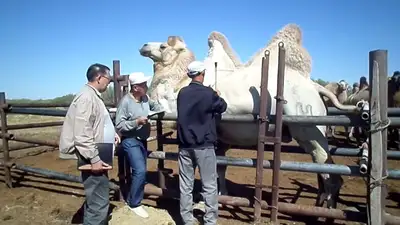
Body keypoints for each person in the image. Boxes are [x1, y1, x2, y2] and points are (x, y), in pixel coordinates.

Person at [59, 63, 120, 225]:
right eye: (109, 79)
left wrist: (111, 133)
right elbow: (82, 132)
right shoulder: (86, 97)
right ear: (100, 78)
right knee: (98, 202)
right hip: (92, 156)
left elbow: (96, 122)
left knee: (97, 198)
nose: (109, 83)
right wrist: (94, 158)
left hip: (96, 153)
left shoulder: (91, 95)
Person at [176, 61, 227, 225]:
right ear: (202, 74)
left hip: (185, 146)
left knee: (185, 186)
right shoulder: (208, 93)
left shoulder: (182, 93)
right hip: (204, 145)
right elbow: (222, 107)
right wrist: (217, 95)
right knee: (210, 185)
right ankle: (210, 220)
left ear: (189, 75)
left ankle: (187, 219)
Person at [115, 72, 158, 218]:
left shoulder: (145, 98)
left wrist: (158, 109)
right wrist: (136, 122)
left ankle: (134, 197)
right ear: (135, 87)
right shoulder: (125, 102)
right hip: (130, 140)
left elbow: (155, 105)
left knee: (140, 170)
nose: (146, 86)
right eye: (144, 84)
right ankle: (134, 203)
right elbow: (119, 125)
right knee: (140, 170)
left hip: (142, 140)